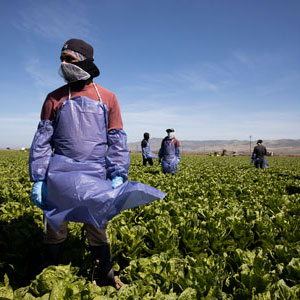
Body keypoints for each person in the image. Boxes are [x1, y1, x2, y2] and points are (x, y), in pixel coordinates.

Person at [29, 38, 165, 289]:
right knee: (55, 226)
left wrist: (117, 173)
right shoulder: (53, 98)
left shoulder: (108, 98)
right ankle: (49, 275)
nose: (63, 64)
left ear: (85, 61)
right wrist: (39, 178)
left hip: (95, 174)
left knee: (97, 225)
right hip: (60, 174)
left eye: (69, 59)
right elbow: (42, 141)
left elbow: (116, 139)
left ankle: (105, 273)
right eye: (61, 59)